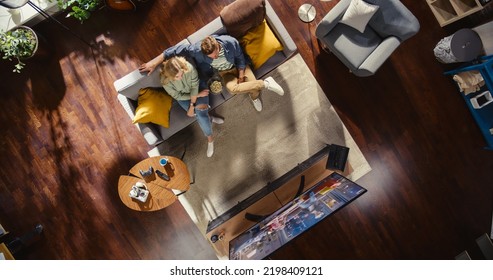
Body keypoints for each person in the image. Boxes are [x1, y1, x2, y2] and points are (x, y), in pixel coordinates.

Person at [139, 35, 284, 112]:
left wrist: (241, 76)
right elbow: (172, 51)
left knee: (253, 88)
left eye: (214, 54)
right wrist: (153, 62)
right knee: (233, 88)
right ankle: (266, 83)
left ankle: (256, 95)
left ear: (217, 45)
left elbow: (240, 59)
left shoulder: (230, 42)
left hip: (239, 67)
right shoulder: (196, 49)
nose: (212, 58)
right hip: (224, 73)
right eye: (209, 57)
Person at [160, 56, 223, 157]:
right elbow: (178, 96)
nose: (180, 77)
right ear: (170, 77)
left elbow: (194, 86)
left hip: (198, 88)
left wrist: (192, 105)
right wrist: (197, 96)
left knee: (200, 114)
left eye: (181, 74)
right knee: (200, 114)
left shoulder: (188, 68)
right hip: (184, 97)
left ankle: (210, 140)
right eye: (177, 77)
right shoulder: (165, 81)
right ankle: (209, 118)